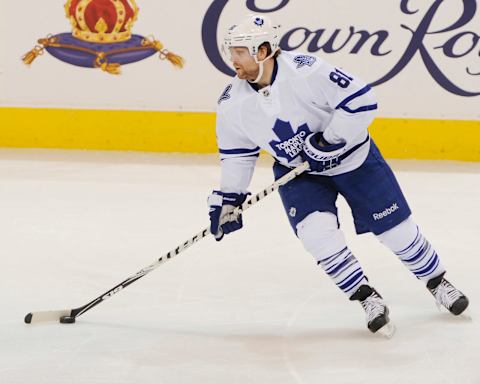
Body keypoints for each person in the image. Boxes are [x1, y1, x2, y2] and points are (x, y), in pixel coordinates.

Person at [207, 14, 469, 336]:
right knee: (316, 235)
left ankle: (437, 282)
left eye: (240, 51)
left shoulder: (307, 70)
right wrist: (230, 197)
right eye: (231, 51)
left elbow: (363, 101)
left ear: (263, 51)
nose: (232, 59)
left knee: (397, 232)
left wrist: (329, 141)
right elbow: (237, 156)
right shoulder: (231, 103)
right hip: (299, 174)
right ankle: (366, 298)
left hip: (354, 161)